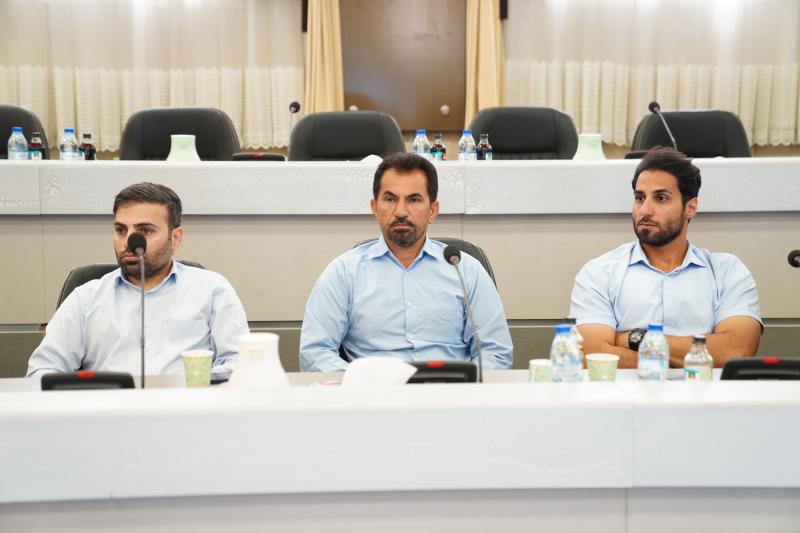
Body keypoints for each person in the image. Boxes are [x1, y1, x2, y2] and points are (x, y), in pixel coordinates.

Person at [300, 153, 513, 372]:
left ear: (432, 211)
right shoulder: (344, 273)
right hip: (375, 390)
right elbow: (315, 353)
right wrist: (360, 384)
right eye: (390, 199)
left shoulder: (466, 270)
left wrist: (464, 386)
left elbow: (495, 353)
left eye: (414, 200)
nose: (401, 212)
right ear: (374, 208)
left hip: (450, 388)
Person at [27, 182, 249, 379]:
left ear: (175, 238)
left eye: (145, 230)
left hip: (188, 407)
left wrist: (195, 383)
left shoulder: (212, 290)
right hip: (107, 409)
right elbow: (42, 370)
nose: (129, 242)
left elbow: (240, 363)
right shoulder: (85, 299)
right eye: (121, 230)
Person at [569, 147, 761, 368]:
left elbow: (736, 351)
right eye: (640, 198)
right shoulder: (599, 273)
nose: (645, 210)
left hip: (705, 391)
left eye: (661, 198)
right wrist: (695, 357)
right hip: (627, 391)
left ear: (690, 208)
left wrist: (635, 339)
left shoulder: (727, 272)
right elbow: (592, 355)